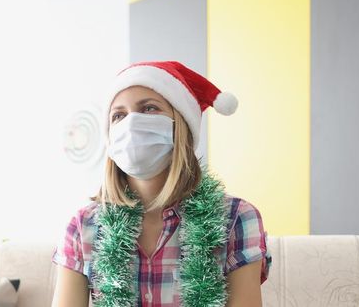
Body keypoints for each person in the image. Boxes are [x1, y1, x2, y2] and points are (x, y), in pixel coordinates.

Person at [51, 61, 271, 307]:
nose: (131, 123)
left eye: (149, 108)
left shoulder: (235, 219)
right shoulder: (83, 227)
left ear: (181, 126)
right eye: (119, 115)